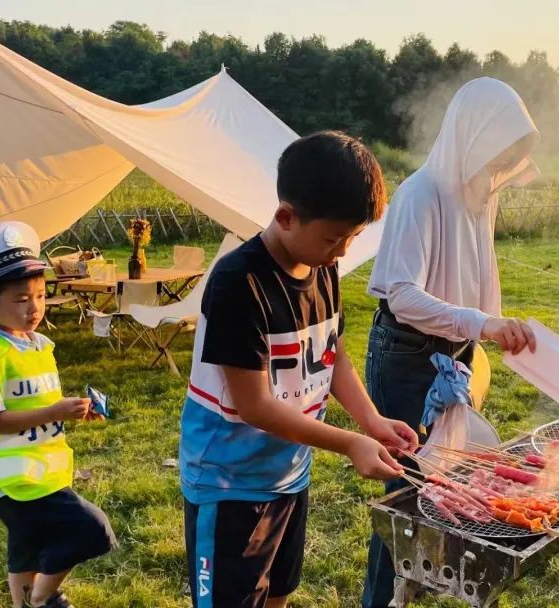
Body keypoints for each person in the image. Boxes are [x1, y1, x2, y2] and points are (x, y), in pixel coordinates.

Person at [179, 130, 419, 608]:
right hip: (229, 484)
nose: (343, 251)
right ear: (286, 217)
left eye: (352, 238)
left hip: (289, 473)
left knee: (278, 592)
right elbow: (255, 406)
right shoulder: (237, 283)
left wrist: (370, 421)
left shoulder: (322, 266)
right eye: (335, 237)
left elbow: (334, 356)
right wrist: (352, 443)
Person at [361, 77, 541, 608]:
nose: (505, 160)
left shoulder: (481, 194)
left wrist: (499, 325)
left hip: (453, 354)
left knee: (449, 482)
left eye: (513, 150)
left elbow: (479, 277)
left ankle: (410, 592)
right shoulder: (421, 193)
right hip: (405, 355)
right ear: (472, 134)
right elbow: (402, 294)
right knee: (409, 497)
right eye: (499, 147)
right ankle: (382, 599)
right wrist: (479, 323)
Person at [0, 221, 116, 608]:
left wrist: (68, 412)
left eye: (39, 295)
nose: (34, 307)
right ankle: (43, 598)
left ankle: (26, 604)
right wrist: (51, 412)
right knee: (92, 529)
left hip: (39, 472)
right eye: (21, 299)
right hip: (12, 480)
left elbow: (35, 402)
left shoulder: (34, 345)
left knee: (27, 547)